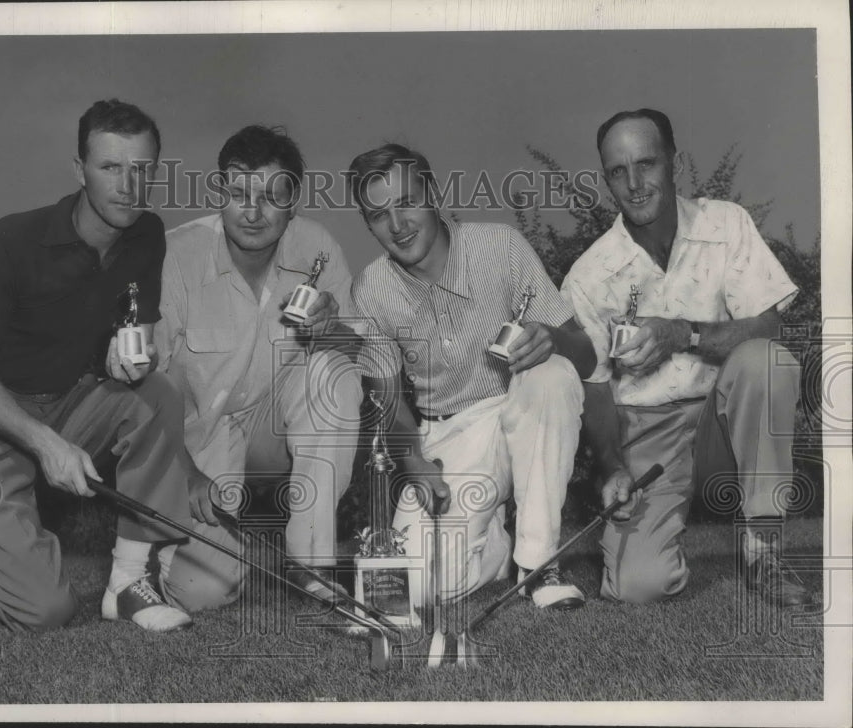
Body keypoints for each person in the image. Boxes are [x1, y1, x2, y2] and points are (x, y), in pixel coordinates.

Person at [0, 99, 195, 632]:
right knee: (46, 613)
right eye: (111, 167)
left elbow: (137, 334)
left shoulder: (146, 235)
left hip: (62, 405)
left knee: (156, 394)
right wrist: (48, 445)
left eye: (143, 169)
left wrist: (132, 358)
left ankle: (129, 585)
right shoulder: (6, 245)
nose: (128, 185)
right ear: (79, 170)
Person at [560, 108, 812, 606]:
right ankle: (655, 537)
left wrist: (683, 333)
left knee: (767, 360)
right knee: (637, 586)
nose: (634, 184)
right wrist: (610, 465)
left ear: (675, 162)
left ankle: (763, 546)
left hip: (722, 420)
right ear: (604, 178)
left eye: (646, 164)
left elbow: (769, 327)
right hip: (647, 433)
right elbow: (594, 385)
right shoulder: (588, 276)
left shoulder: (726, 222)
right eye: (617, 171)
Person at [347, 143, 597, 609]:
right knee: (420, 589)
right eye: (379, 215)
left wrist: (553, 339)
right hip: (450, 433)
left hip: (521, 408)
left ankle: (539, 565)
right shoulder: (370, 288)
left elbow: (584, 357)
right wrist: (413, 461)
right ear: (368, 224)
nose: (398, 225)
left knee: (553, 375)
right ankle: (495, 547)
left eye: (407, 202)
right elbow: (386, 397)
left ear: (434, 193)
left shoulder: (499, 245)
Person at [154, 125, 363, 611]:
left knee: (331, 372)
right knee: (202, 592)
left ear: (294, 202)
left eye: (272, 196)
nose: (253, 212)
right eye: (239, 194)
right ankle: (168, 548)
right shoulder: (177, 255)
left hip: (274, 430)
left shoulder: (319, 246)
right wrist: (186, 474)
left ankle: (312, 563)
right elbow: (146, 391)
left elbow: (354, 353)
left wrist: (328, 326)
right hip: (198, 438)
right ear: (218, 193)